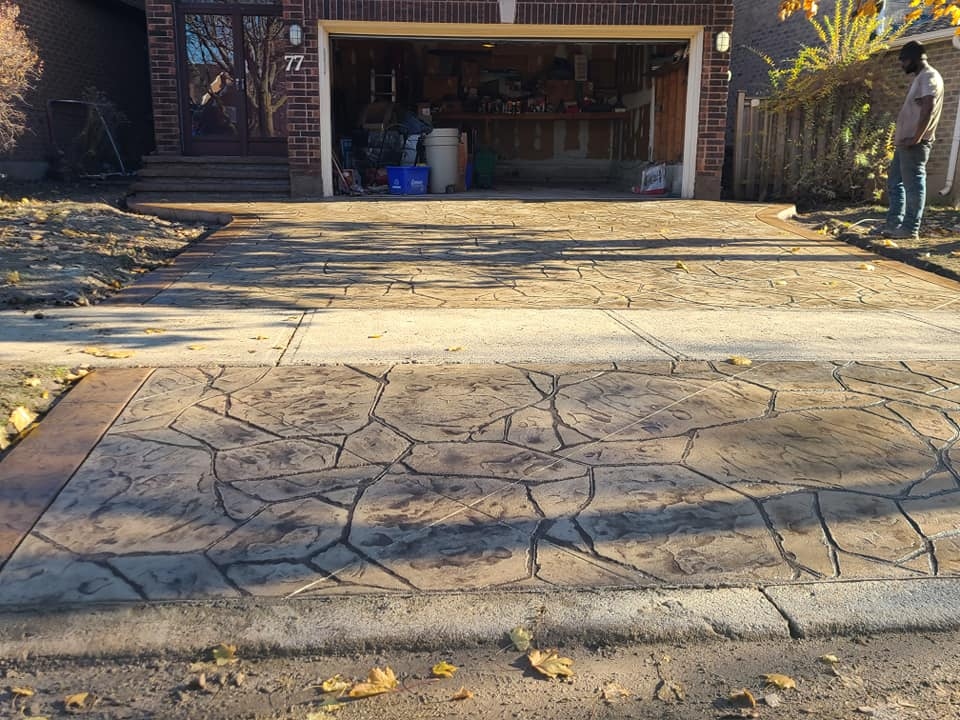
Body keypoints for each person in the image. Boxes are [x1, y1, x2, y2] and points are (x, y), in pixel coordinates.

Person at [881, 41, 944, 240]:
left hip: (915, 143)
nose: (902, 65)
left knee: (913, 185)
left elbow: (928, 107)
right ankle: (894, 224)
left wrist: (915, 137)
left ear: (915, 59)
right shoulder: (921, 78)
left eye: (904, 61)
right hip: (905, 143)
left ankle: (910, 228)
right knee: (895, 183)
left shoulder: (929, 76)